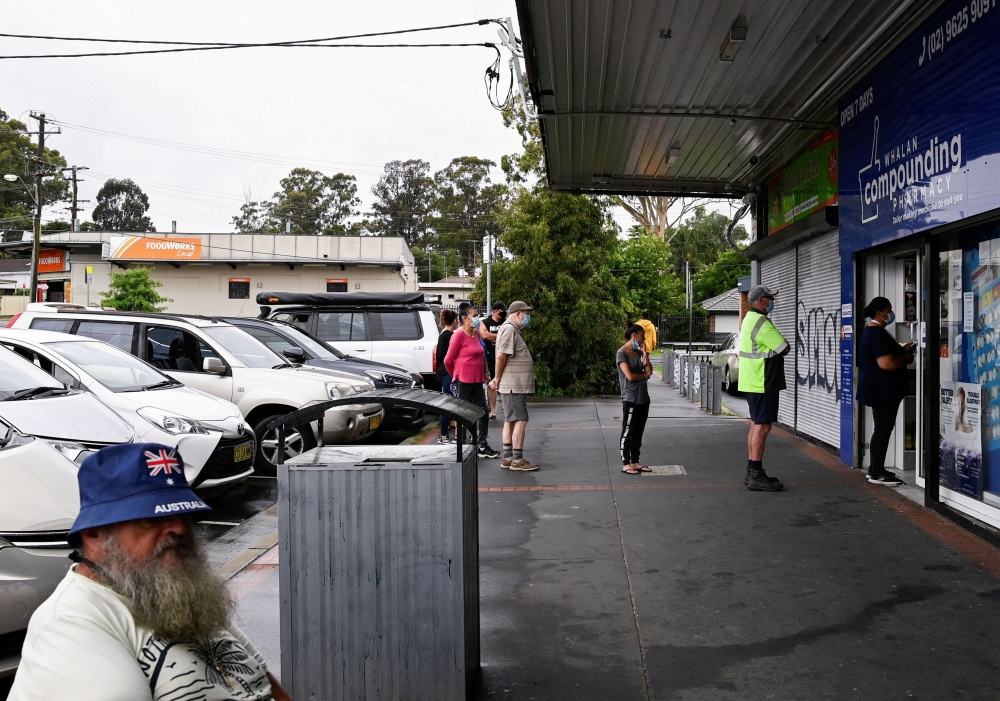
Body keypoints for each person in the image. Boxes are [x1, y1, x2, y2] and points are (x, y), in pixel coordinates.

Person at [9, 443, 292, 701]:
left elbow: (264, 683)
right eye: (150, 519)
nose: (179, 529)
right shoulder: (73, 623)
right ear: (93, 533)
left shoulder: (180, 593)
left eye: (184, 515)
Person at [737, 285, 790, 492]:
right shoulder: (761, 322)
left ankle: (752, 470)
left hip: (753, 380)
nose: (772, 302)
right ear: (761, 300)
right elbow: (784, 347)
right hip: (763, 380)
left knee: (756, 424)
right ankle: (756, 475)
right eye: (769, 298)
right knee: (762, 426)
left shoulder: (748, 319)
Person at [857, 296, 914, 486]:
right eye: (888, 310)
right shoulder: (878, 333)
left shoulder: (871, 331)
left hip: (876, 388)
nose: (890, 314)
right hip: (883, 390)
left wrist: (901, 349)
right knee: (883, 429)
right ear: (880, 313)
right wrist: (905, 358)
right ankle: (877, 471)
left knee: (881, 428)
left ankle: (876, 468)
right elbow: (887, 363)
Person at [489, 300, 539, 471]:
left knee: (511, 419)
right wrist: (497, 378)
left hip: (512, 384)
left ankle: (508, 457)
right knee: (520, 419)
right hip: (513, 384)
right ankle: (517, 459)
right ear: (518, 314)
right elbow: (501, 356)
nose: (528, 318)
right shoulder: (510, 329)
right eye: (527, 314)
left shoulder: (509, 329)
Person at [445, 305, 500, 459]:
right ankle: (462, 445)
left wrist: (486, 372)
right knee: (463, 413)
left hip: (477, 379)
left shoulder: (476, 334)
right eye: (475, 315)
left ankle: (482, 444)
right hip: (463, 380)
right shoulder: (457, 336)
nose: (478, 318)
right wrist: (455, 375)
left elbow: (481, 356)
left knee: (482, 412)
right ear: (465, 319)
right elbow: (448, 360)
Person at [618, 324, 654, 474]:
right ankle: (626, 462)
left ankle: (635, 461)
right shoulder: (622, 353)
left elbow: (649, 371)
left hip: (643, 398)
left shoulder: (640, 353)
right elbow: (630, 377)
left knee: (639, 431)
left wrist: (645, 355)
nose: (644, 338)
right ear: (634, 335)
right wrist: (644, 376)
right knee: (628, 430)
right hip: (630, 397)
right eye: (642, 335)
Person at [436, 308, 460, 444]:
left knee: (449, 403)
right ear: (455, 320)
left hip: (443, 372)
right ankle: (443, 435)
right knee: (449, 404)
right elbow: (446, 357)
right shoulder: (449, 336)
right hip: (447, 373)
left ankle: (444, 435)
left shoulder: (443, 334)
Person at [480, 302, 507, 419]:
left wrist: (495, 336)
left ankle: (507, 407)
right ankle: (493, 410)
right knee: (491, 384)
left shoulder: (505, 322)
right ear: (496, 311)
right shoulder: (485, 322)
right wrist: (502, 335)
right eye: (502, 310)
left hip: (505, 356)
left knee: (506, 382)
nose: (503, 312)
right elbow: (484, 335)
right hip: (490, 357)